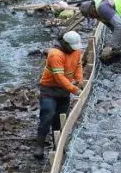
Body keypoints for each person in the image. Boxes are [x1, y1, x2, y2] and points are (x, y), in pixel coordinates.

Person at [34, 31, 84, 159]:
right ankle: (39, 146)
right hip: (49, 90)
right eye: (71, 47)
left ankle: (57, 146)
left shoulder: (76, 51)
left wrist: (79, 80)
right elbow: (59, 78)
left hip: (64, 91)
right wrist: (74, 89)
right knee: (47, 115)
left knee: (60, 119)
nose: (74, 50)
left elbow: (78, 65)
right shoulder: (55, 54)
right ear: (64, 43)